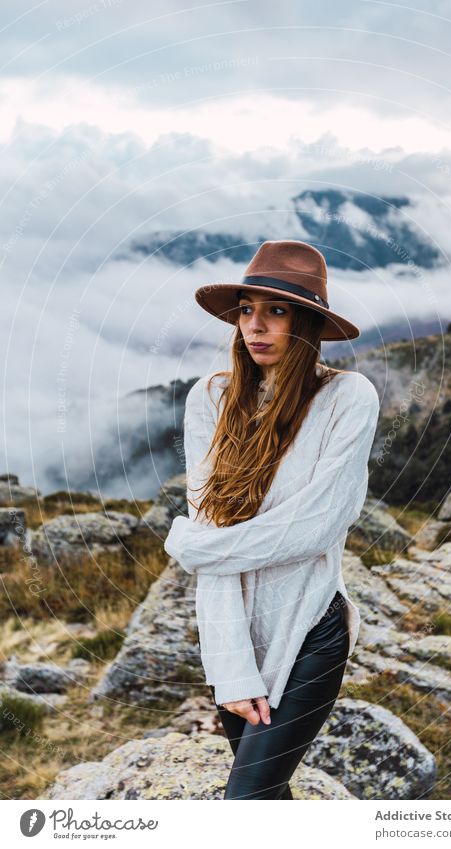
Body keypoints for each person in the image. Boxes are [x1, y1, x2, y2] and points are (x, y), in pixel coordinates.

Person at [164, 239, 380, 799]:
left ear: (306, 322)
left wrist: (195, 548)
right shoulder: (209, 398)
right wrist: (231, 667)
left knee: (247, 800)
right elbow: (209, 519)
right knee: (268, 799)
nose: (254, 326)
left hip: (312, 627)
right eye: (246, 310)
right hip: (235, 630)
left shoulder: (348, 397)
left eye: (276, 311)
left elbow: (317, 527)